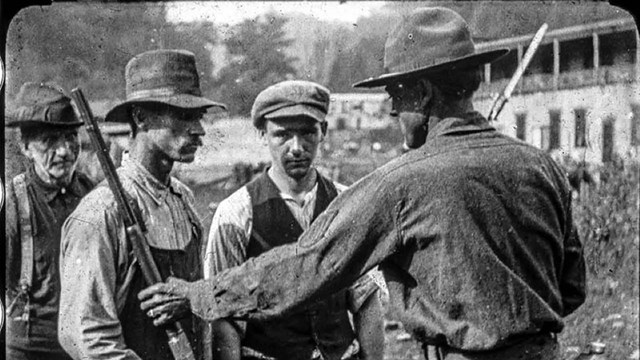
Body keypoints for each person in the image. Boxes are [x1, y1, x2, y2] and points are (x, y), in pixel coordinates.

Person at [140, 8, 587, 360]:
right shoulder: (542, 166)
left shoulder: (402, 184)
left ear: (425, 93)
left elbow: (307, 266)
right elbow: (572, 289)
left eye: (396, 93)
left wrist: (199, 293)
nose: (392, 110)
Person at [58, 49, 226, 360]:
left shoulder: (183, 200)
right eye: (182, 115)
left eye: (198, 116)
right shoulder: (101, 212)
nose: (199, 130)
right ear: (140, 117)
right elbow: (86, 335)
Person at [204, 80, 384, 360]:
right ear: (262, 135)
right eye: (282, 135)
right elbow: (224, 318)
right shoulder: (236, 214)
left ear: (323, 131)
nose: (297, 147)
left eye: (307, 133)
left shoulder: (347, 204)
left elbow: (366, 300)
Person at [4, 82, 95, 360]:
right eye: (50, 141)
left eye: (70, 138)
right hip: (32, 347)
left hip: (87, 340)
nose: (65, 151)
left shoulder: (93, 195)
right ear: (26, 148)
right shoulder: (13, 203)